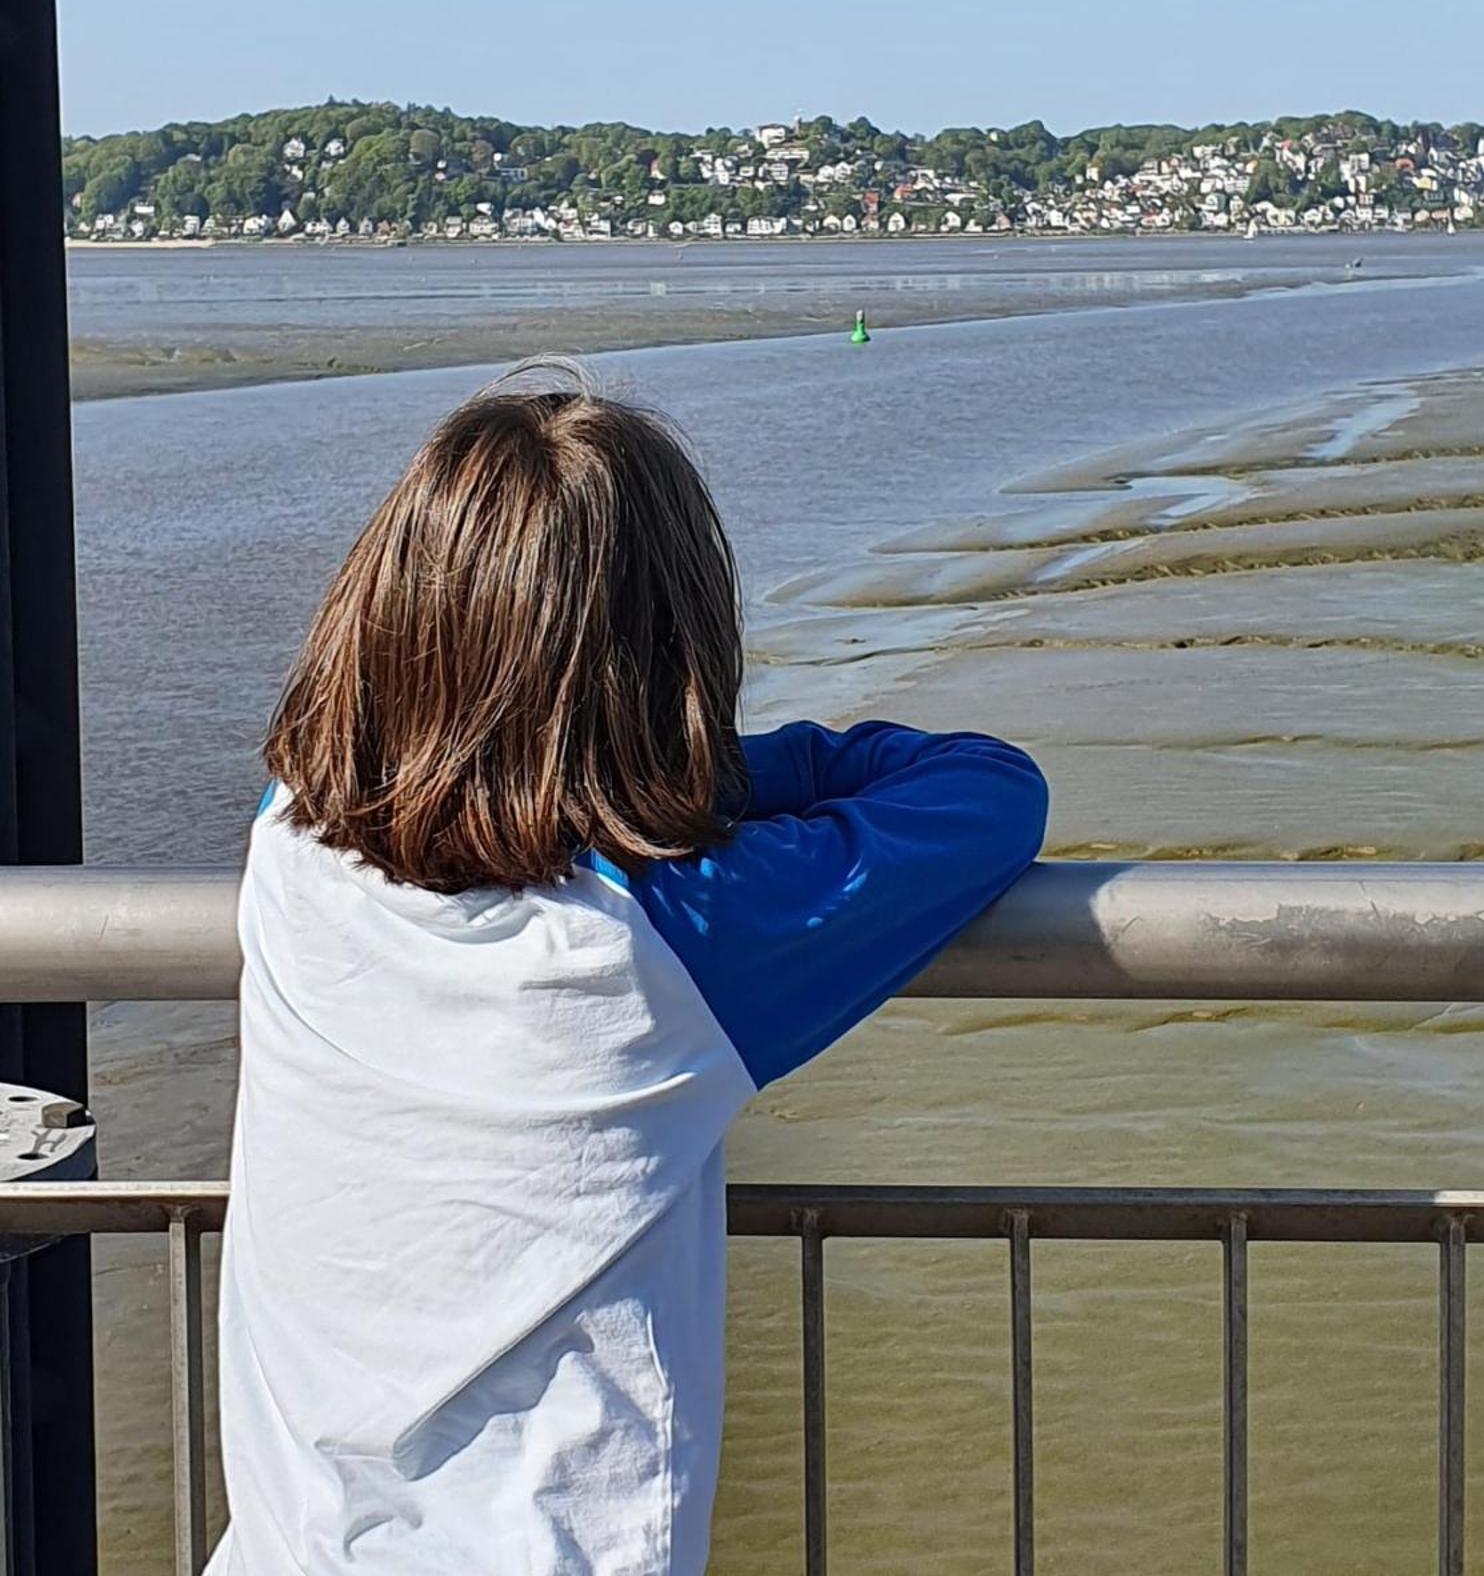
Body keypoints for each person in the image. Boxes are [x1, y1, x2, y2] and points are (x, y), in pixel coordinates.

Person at [207, 365, 1048, 1575]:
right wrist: (711, 776)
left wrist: (623, 786)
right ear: (673, 652)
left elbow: (399, 767)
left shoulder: (288, 845)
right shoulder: (663, 935)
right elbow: (989, 792)